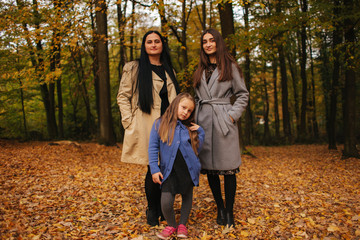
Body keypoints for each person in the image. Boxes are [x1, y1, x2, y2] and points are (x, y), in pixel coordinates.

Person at [117, 30, 181, 226]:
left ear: (162, 44)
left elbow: (175, 100)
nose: (153, 44)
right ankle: (153, 209)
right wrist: (129, 122)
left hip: (169, 124)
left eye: (157, 41)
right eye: (149, 42)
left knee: (167, 167)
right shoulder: (134, 68)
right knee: (152, 167)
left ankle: (164, 208)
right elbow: (122, 97)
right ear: (144, 46)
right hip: (146, 124)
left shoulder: (170, 69)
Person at [193, 28, 249, 227]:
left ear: (218, 42)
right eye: (204, 41)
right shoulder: (200, 68)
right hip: (203, 122)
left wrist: (231, 117)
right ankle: (220, 207)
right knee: (211, 170)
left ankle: (230, 211)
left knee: (228, 169)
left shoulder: (230, 66)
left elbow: (243, 95)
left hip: (223, 120)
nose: (208, 44)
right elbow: (197, 97)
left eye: (211, 40)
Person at [148, 93, 205, 239]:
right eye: (183, 107)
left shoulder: (189, 127)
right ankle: (171, 225)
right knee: (166, 201)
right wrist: (154, 169)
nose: (185, 112)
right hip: (169, 170)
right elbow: (153, 148)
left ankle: (182, 225)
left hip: (188, 169)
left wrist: (201, 132)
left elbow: (197, 149)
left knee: (187, 197)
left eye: (189, 110)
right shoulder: (159, 123)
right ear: (175, 104)